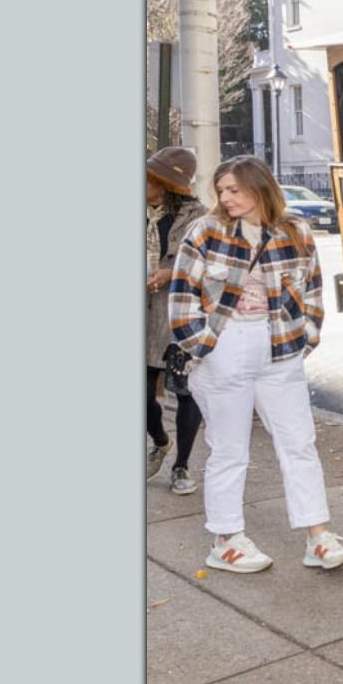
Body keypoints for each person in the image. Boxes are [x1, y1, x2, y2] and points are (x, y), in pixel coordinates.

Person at [169, 156, 343, 574]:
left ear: (259, 187)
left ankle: (318, 536)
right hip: (224, 346)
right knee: (229, 449)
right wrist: (203, 347)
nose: (226, 197)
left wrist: (306, 334)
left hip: (281, 350)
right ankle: (226, 539)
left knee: (299, 443)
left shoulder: (294, 231)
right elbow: (182, 298)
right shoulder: (207, 232)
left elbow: (312, 290)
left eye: (234, 189)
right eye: (221, 190)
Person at [147, 146, 209, 494]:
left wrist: (170, 272)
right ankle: (159, 439)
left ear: (166, 184)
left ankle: (182, 465)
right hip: (144, 312)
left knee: (185, 393)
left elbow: (210, 263)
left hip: (180, 313)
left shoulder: (200, 218)